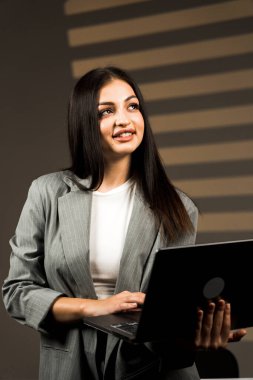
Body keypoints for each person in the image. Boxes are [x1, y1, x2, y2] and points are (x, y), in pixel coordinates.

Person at [2, 66, 246, 380]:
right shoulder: (48, 192)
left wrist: (193, 339)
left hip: (149, 370)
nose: (124, 119)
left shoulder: (178, 207)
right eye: (106, 111)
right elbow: (17, 292)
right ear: (84, 122)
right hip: (70, 368)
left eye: (133, 106)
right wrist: (93, 308)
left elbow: (166, 323)